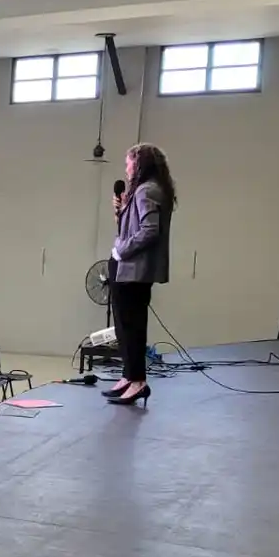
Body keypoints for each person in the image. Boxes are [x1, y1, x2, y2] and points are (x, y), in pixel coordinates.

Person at [107, 142, 176, 406]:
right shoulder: (148, 190)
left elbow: (149, 231)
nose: (126, 167)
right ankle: (129, 376)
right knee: (125, 327)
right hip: (129, 268)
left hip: (132, 269)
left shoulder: (146, 191)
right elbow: (132, 227)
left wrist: (121, 251)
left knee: (131, 327)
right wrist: (122, 208)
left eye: (129, 162)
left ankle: (137, 381)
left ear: (140, 163)